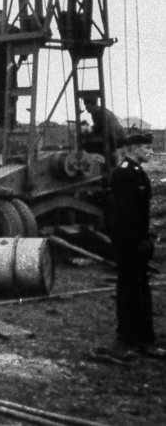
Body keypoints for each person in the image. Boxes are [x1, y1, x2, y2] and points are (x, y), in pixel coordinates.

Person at [110, 143, 165, 357]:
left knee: (141, 290)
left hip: (137, 242)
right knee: (129, 290)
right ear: (134, 149)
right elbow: (124, 214)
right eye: (146, 148)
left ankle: (144, 339)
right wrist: (137, 241)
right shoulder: (126, 173)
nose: (150, 152)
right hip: (129, 244)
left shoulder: (136, 171)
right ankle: (126, 340)